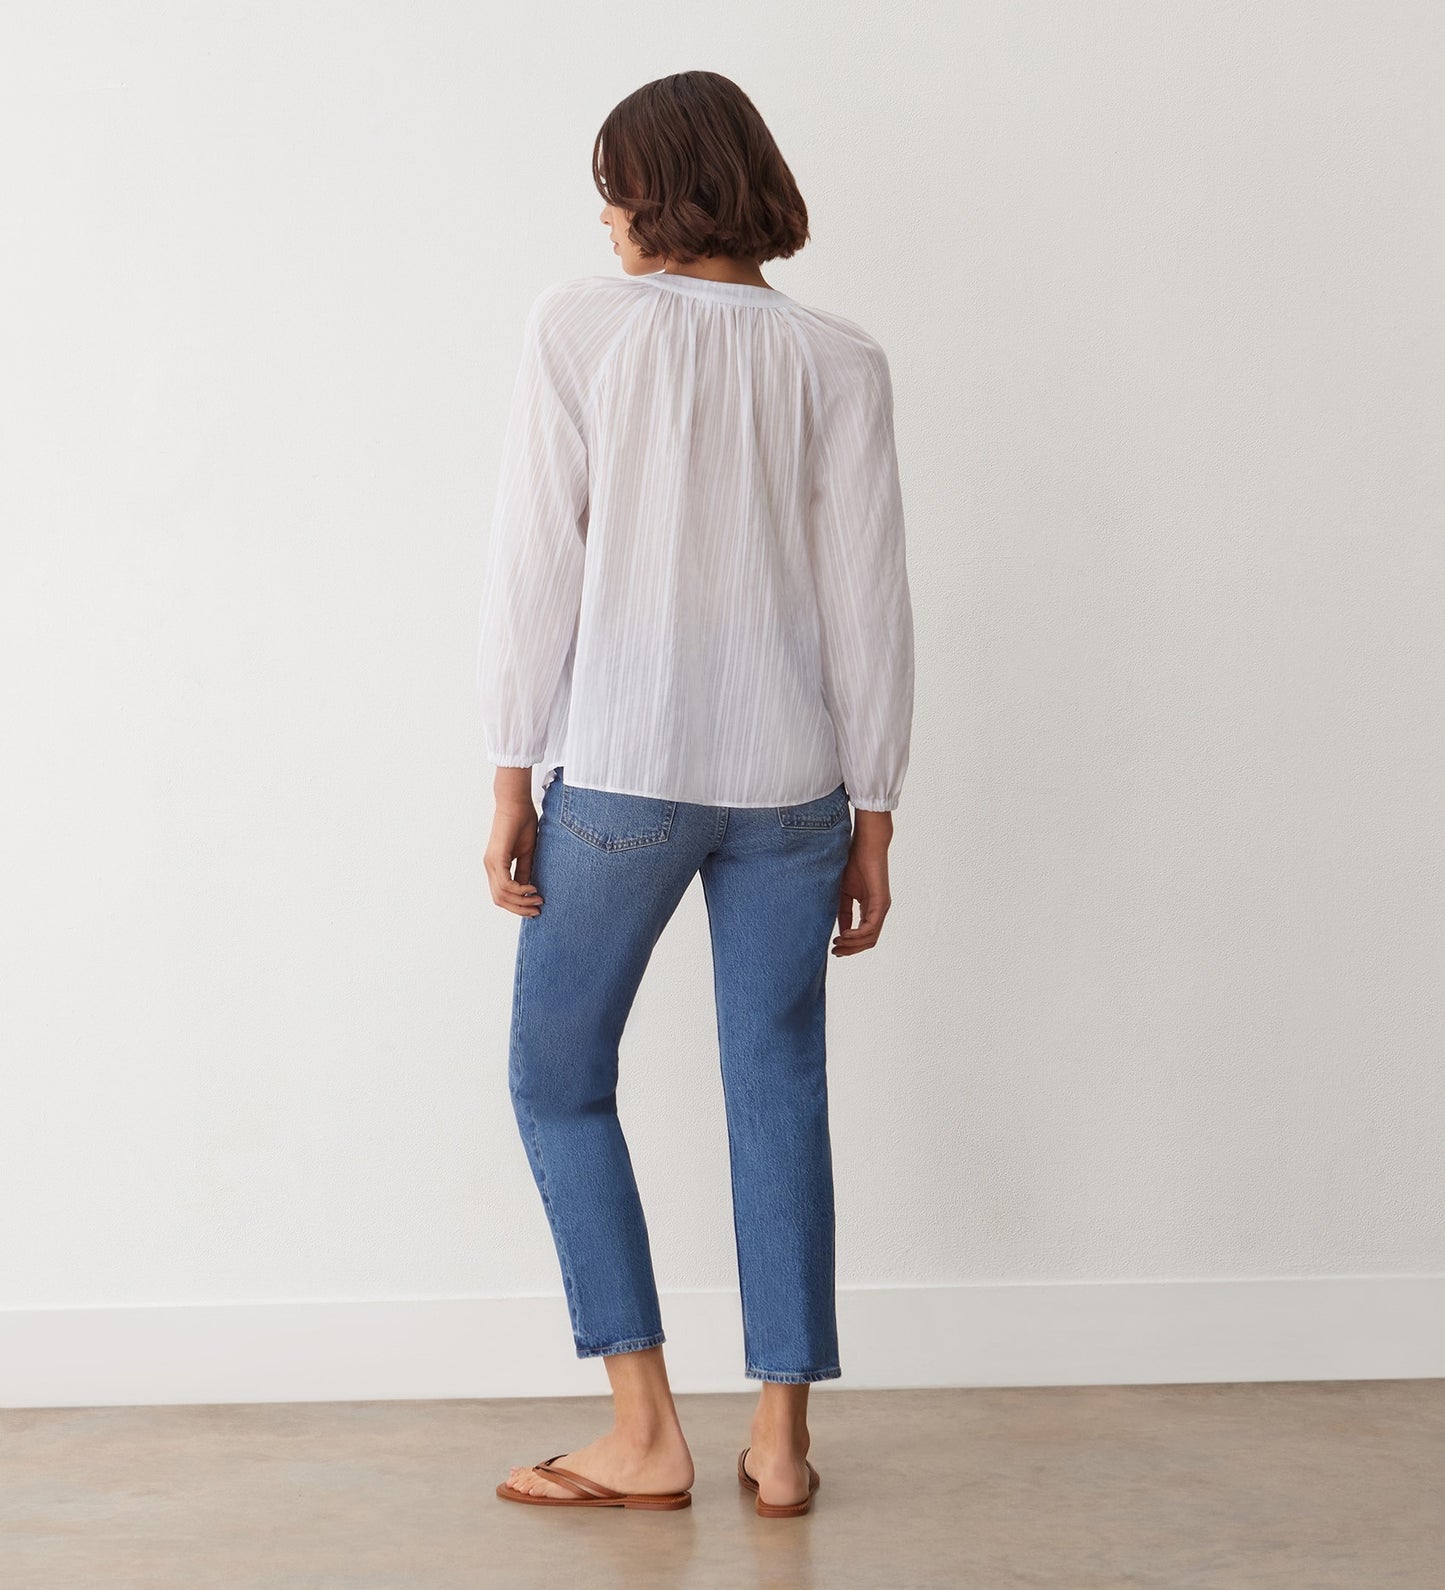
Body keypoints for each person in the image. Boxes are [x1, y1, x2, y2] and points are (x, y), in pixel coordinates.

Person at [476, 70, 914, 1517]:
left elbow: (534, 565)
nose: (601, 213)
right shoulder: (839, 358)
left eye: (613, 181)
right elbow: (871, 606)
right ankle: (778, 1446)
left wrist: (502, 769)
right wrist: (875, 811)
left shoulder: (581, 328)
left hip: (623, 771)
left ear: (658, 189)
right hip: (796, 789)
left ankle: (644, 1428)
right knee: (777, 1090)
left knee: (555, 1078)